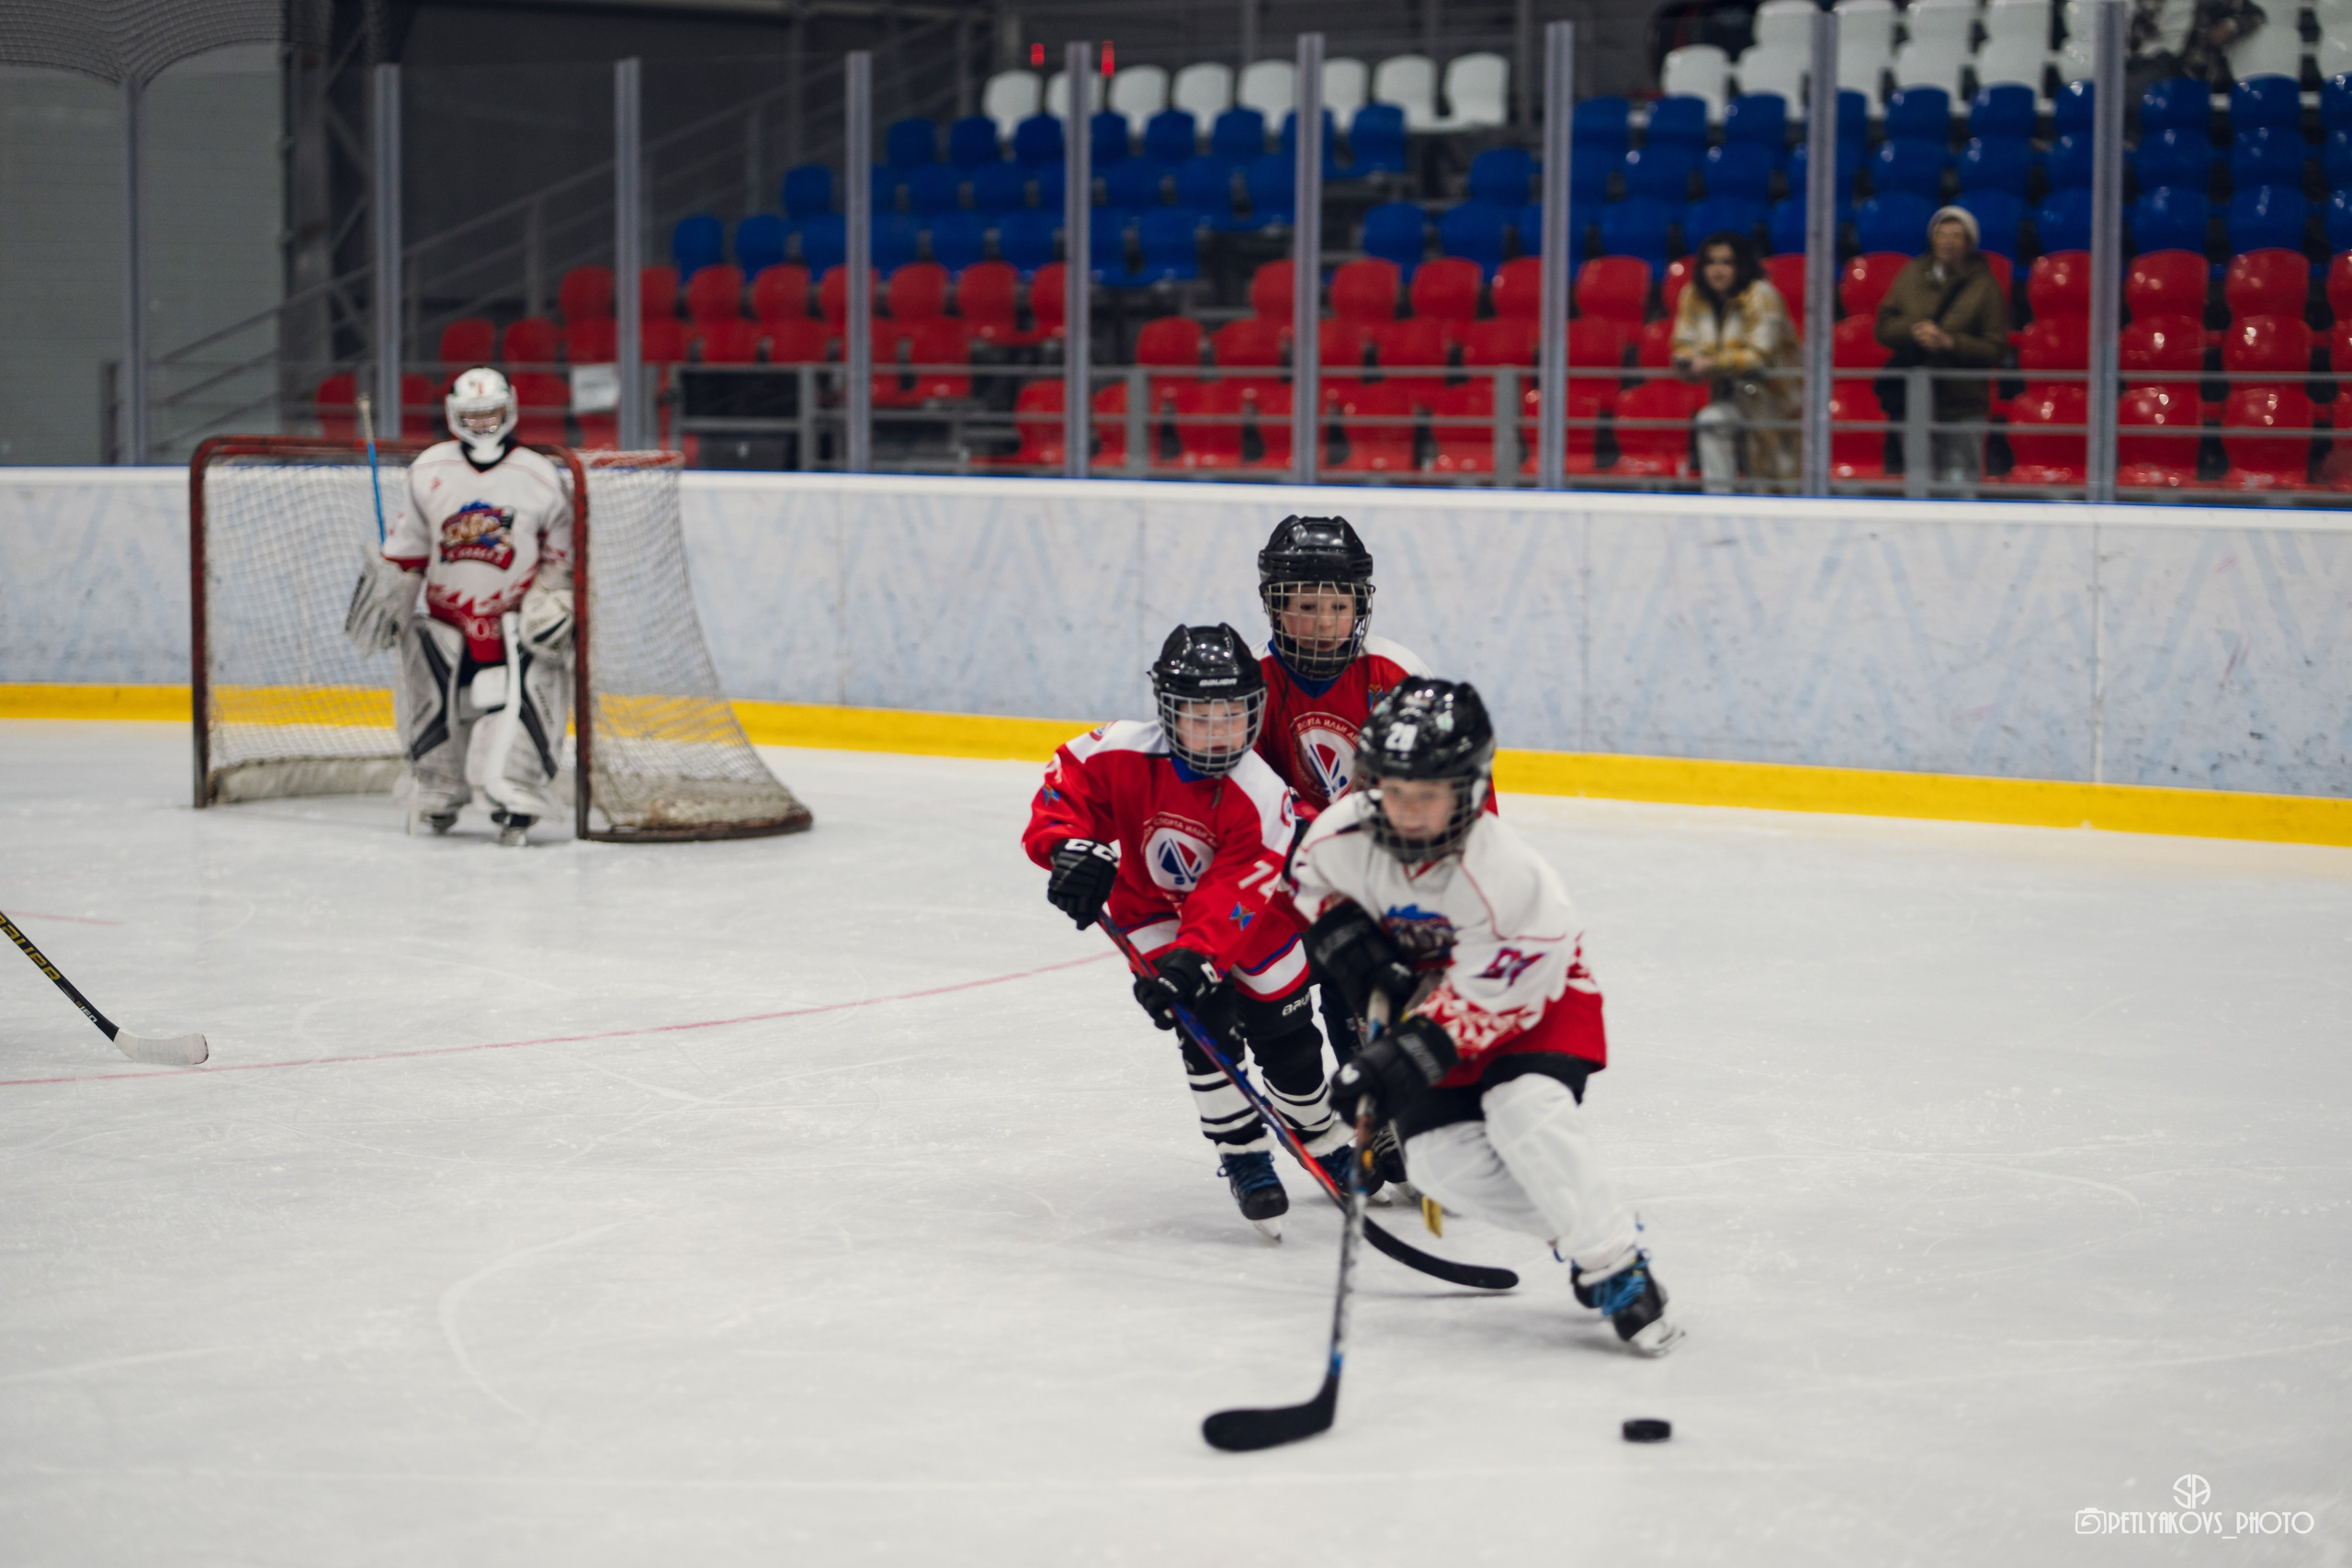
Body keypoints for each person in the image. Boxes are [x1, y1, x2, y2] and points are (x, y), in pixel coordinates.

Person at [1290, 678, 1681, 1356]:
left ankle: (1616, 1262)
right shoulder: (1338, 836)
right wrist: (1349, 945)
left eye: (1429, 794)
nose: (1408, 811)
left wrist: (1396, 1059)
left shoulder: (1508, 875)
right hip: (1427, 1006)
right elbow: (1309, 887)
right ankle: (1584, 1226)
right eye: (1394, 790)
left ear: (1468, 790)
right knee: (1441, 1167)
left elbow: (1499, 998)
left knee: (1523, 1108)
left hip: (1536, 1003)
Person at [1023, 624, 1360, 1238]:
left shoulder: (1261, 795)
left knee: (1288, 1042)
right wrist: (1066, 849)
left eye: (1233, 717)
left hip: (1255, 919)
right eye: (1201, 718)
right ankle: (1244, 1155)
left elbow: (1233, 893)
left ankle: (1318, 1131)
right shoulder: (1119, 750)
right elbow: (1063, 788)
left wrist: (1192, 959)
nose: (1219, 733)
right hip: (1149, 907)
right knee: (1204, 1027)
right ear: (1169, 713)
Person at [342, 367, 576, 846]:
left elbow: (561, 556)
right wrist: (394, 592)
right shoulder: (429, 469)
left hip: (517, 623)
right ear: (454, 416)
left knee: (534, 687)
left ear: (509, 410)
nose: (483, 424)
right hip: (445, 619)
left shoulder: (538, 475)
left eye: (491, 413)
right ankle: (437, 789)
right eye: (473, 415)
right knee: (427, 693)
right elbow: (409, 549)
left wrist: (551, 599)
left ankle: (520, 795)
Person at [1872, 206, 2007, 490]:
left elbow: (1995, 347)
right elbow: (1883, 326)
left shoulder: (1986, 287)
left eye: (1956, 236)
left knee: (1959, 485)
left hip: (1962, 402)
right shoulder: (1911, 274)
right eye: (1942, 234)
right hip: (1914, 400)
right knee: (1918, 483)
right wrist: (1913, 330)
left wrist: (1950, 343)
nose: (1947, 241)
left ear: (1970, 243)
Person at [1669, 230, 1801, 494]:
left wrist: (1710, 364)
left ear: (1741, 265)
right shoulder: (1694, 296)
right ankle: (1719, 503)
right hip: (1730, 397)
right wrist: (1685, 361)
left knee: (1775, 486)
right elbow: (1683, 342)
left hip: (1776, 398)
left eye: (1726, 263)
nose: (1717, 271)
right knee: (1711, 421)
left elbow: (1759, 355)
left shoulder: (1762, 295)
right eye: (1710, 262)